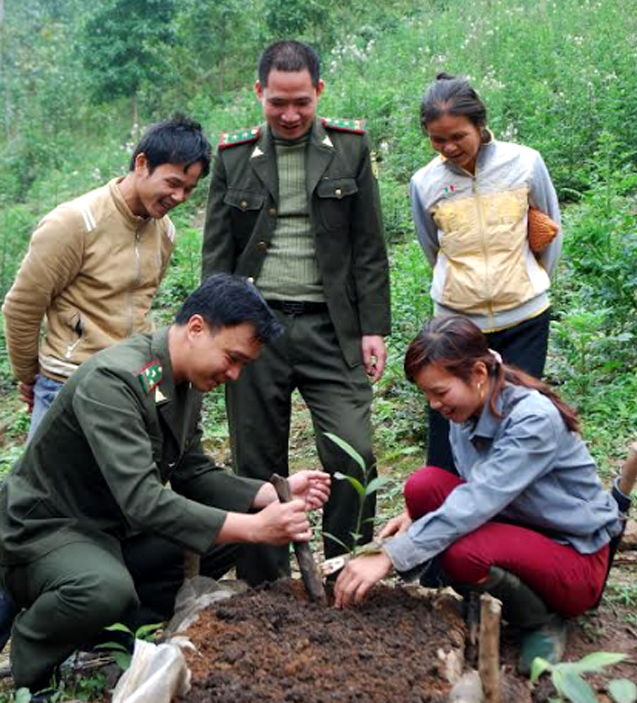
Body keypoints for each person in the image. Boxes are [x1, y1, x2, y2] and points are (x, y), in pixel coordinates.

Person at [0, 273, 331, 696]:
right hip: (49, 529)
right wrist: (254, 528)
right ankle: (35, 657)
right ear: (196, 328)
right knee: (103, 588)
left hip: (112, 528)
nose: (234, 374)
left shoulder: (171, 379)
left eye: (243, 365)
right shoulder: (114, 381)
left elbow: (193, 472)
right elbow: (143, 500)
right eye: (232, 358)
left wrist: (268, 495)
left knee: (232, 529)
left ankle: (116, 637)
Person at [202, 40, 391, 585]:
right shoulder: (234, 156)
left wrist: (374, 326)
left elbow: (369, 246)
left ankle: (345, 568)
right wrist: (218, 331)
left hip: (333, 327)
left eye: (301, 102)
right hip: (254, 333)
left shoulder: (349, 147)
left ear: (319, 93)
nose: (289, 115)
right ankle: (265, 585)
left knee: (352, 452)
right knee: (257, 462)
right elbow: (216, 255)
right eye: (278, 102)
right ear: (259, 92)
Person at [333, 316, 621, 673]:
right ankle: (483, 598)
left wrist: (389, 557)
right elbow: (472, 485)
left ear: (479, 374)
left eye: (440, 392)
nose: (435, 404)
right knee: (422, 488)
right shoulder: (468, 409)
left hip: (572, 558)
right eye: (427, 394)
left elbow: (478, 500)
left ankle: (542, 619)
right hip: (519, 525)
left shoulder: (532, 419)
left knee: (462, 554)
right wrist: (414, 519)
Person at [2, 114, 212, 440]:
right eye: (173, 183)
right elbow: (22, 308)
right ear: (141, 163)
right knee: (51, 489)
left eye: (189, 189)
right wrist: (30, 377)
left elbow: (142, 308)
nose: (180, 197)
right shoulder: (73, 223)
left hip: (134, 380)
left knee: (129, 484)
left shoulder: (165, 232)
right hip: (69, 383)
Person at [409, 73, 562, 471]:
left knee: (518, 419)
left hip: (524, 316)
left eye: (458, 136)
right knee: (450, 422)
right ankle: (447, 509)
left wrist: (528, 281)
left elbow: (549, 230)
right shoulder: (425, 183)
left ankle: (517, 514)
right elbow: (432, 248)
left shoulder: (525, 163)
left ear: (480, 125)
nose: (448, 147)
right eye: (437, 140)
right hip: (458, 325)